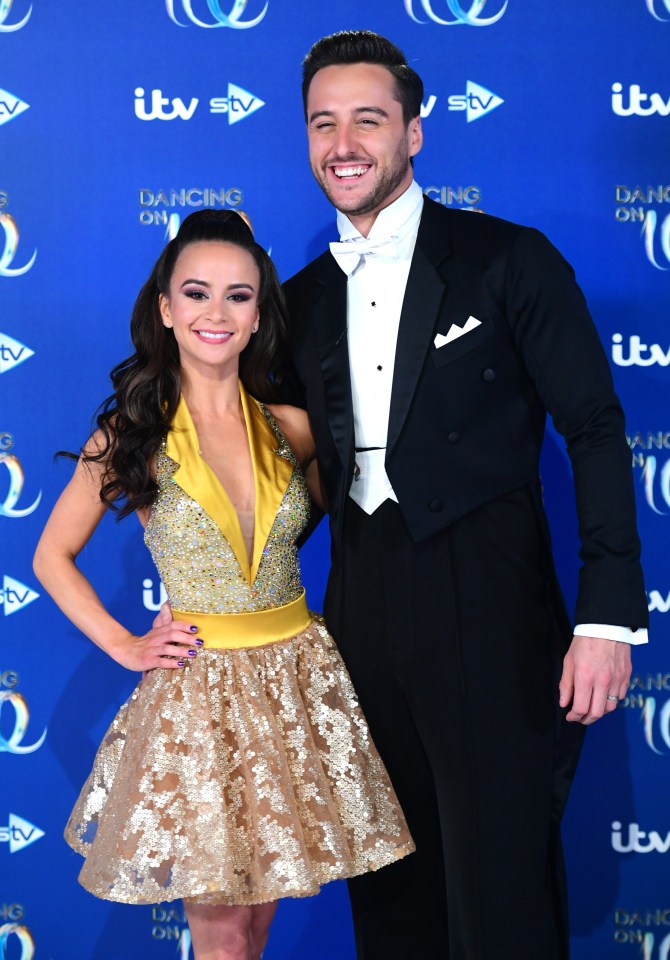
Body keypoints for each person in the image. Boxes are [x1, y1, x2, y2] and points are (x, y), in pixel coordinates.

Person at [282, 30, 649, 960]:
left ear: (416, 130)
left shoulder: (506, 260)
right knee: (389, 888)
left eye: (369, 118)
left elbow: (598, 430)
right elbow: (263, 466)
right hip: (360, 605)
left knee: (501, 893)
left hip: (491, 600)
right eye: (324, 123)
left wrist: (606, 618)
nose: (345, 142)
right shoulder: (302, 298)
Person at [32, 209, 413, 960]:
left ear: (259, 313)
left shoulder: (293, 427)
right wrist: (127, 644)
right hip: (201, 697)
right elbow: (51, 557)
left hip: (296, 682)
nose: (217, 313)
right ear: (166, 309)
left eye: (239, 296)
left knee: (259, 928)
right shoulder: (129, 435)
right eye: (197, 293)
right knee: (225, 939)